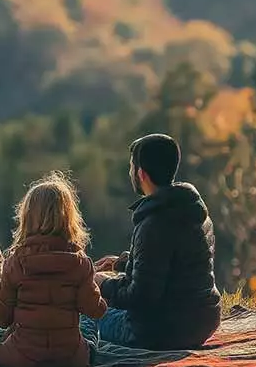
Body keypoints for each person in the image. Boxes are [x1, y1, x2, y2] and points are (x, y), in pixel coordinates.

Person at [94, 133, 222, 350]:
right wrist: (121, 263)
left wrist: (102, 283)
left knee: (85, 315)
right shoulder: (193, 210)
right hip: (203, 321)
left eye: (131, 167)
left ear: (141, 174)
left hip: (160, 331)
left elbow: (141, 297)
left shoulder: (154, 224)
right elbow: (174, 267)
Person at [0, 172, 108, 367]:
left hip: (21, 360)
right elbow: (96, 311)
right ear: (70, 218)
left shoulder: (15, 263)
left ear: (27, 217)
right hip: (70, 362)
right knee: (88, 324)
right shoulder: (81, 263)